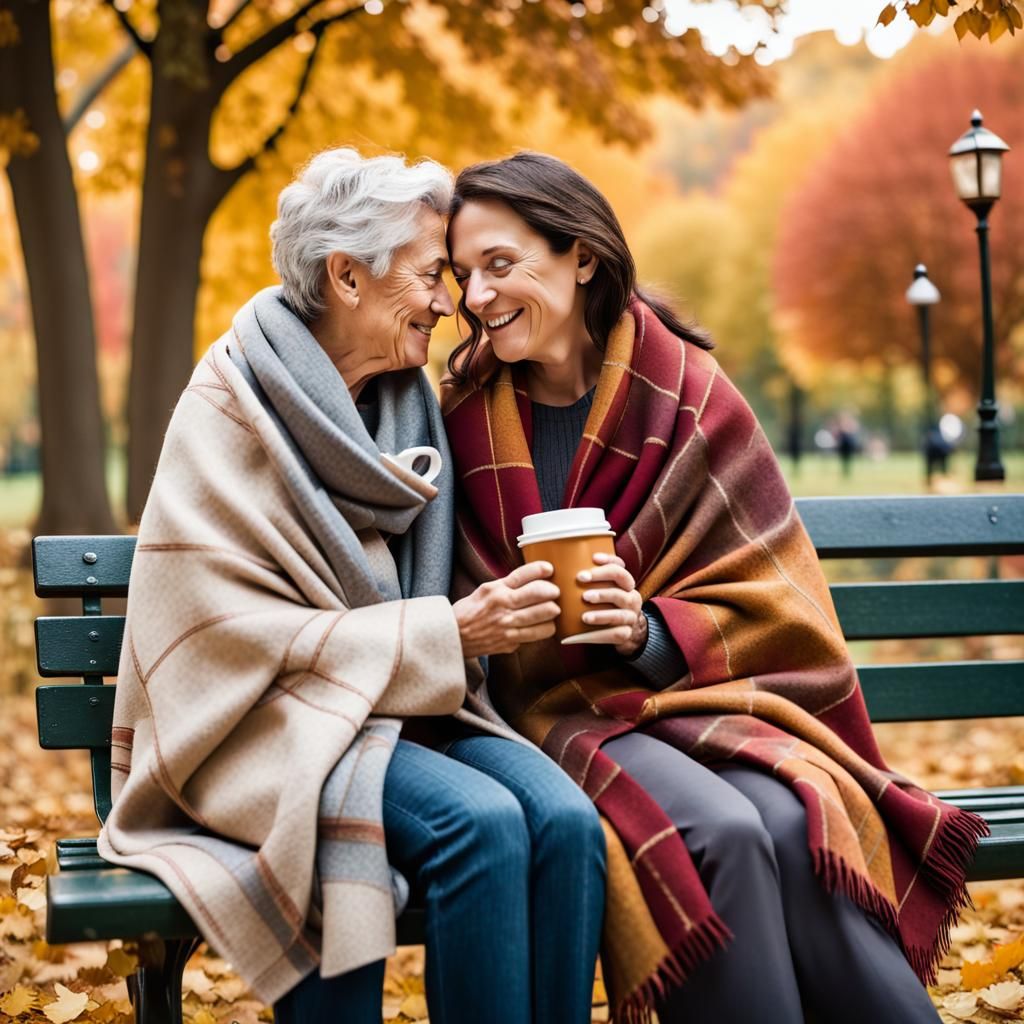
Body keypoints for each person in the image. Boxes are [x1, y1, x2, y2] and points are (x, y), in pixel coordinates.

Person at [442, 151, 986, 1024]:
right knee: (727, 832)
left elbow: (772, 591)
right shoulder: (463, 416)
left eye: (500, 265)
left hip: (707, 693)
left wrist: (645, 630)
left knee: (792, 823)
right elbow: (458, 609)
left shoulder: (689, 394)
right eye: (462, 273)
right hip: (549, 710)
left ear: (581, 255)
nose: (476, 296)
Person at [97, 149, 605, 1024]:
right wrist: (448, 634)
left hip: (400, 707)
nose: (452, 303)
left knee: (565, 822)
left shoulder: (406, 404)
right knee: (478, 828)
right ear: (347, 277)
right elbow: (220, 635)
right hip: (263, 724)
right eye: (429, 275)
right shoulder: (231, 402)